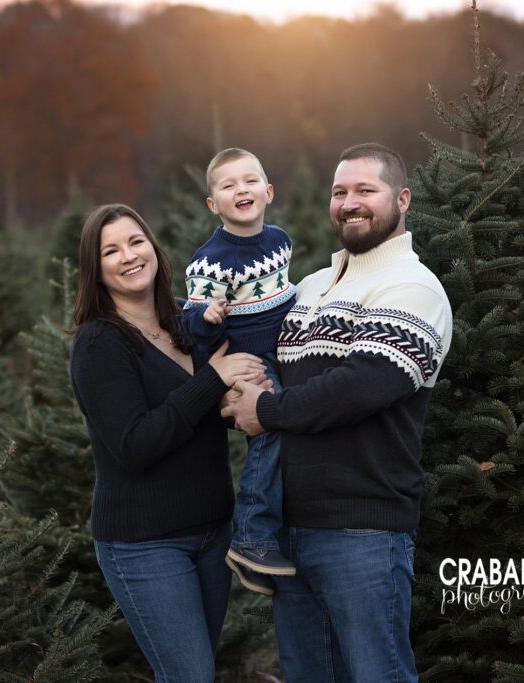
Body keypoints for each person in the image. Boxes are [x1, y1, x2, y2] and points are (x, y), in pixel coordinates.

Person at [222, 143, 453, 682]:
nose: (350, 203)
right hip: (290, 530)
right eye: (340, 192)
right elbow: (262, 363)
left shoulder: (413, 287)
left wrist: (269, 410)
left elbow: (359, 387)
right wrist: (231, 388)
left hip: (363, 530)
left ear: (402, 199)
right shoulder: (309, 288)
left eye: (365, 191)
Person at [68, 203, 267, 682]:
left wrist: (248, 402)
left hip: (213, 532)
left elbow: (201, 417)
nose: (128, 256)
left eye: (135, 242)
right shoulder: (100, 344)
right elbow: (135, 445)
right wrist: (213, 380)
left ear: (153, 249)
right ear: (96, 270)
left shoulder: (188, 321)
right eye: (110, 251)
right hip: (145, 543)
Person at [182, 148, 297, 595]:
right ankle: (251, 538)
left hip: (287, 349)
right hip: (251, 360)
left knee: (291, 428)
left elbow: (282, 292)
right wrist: (206, 316)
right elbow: (191, 322)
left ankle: (275, 528)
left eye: (250, 181)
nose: (241, 190)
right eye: (228, 186)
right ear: (214, 204)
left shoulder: (280, 240)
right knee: (270, 429)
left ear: (268, 192)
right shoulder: (211, 260)